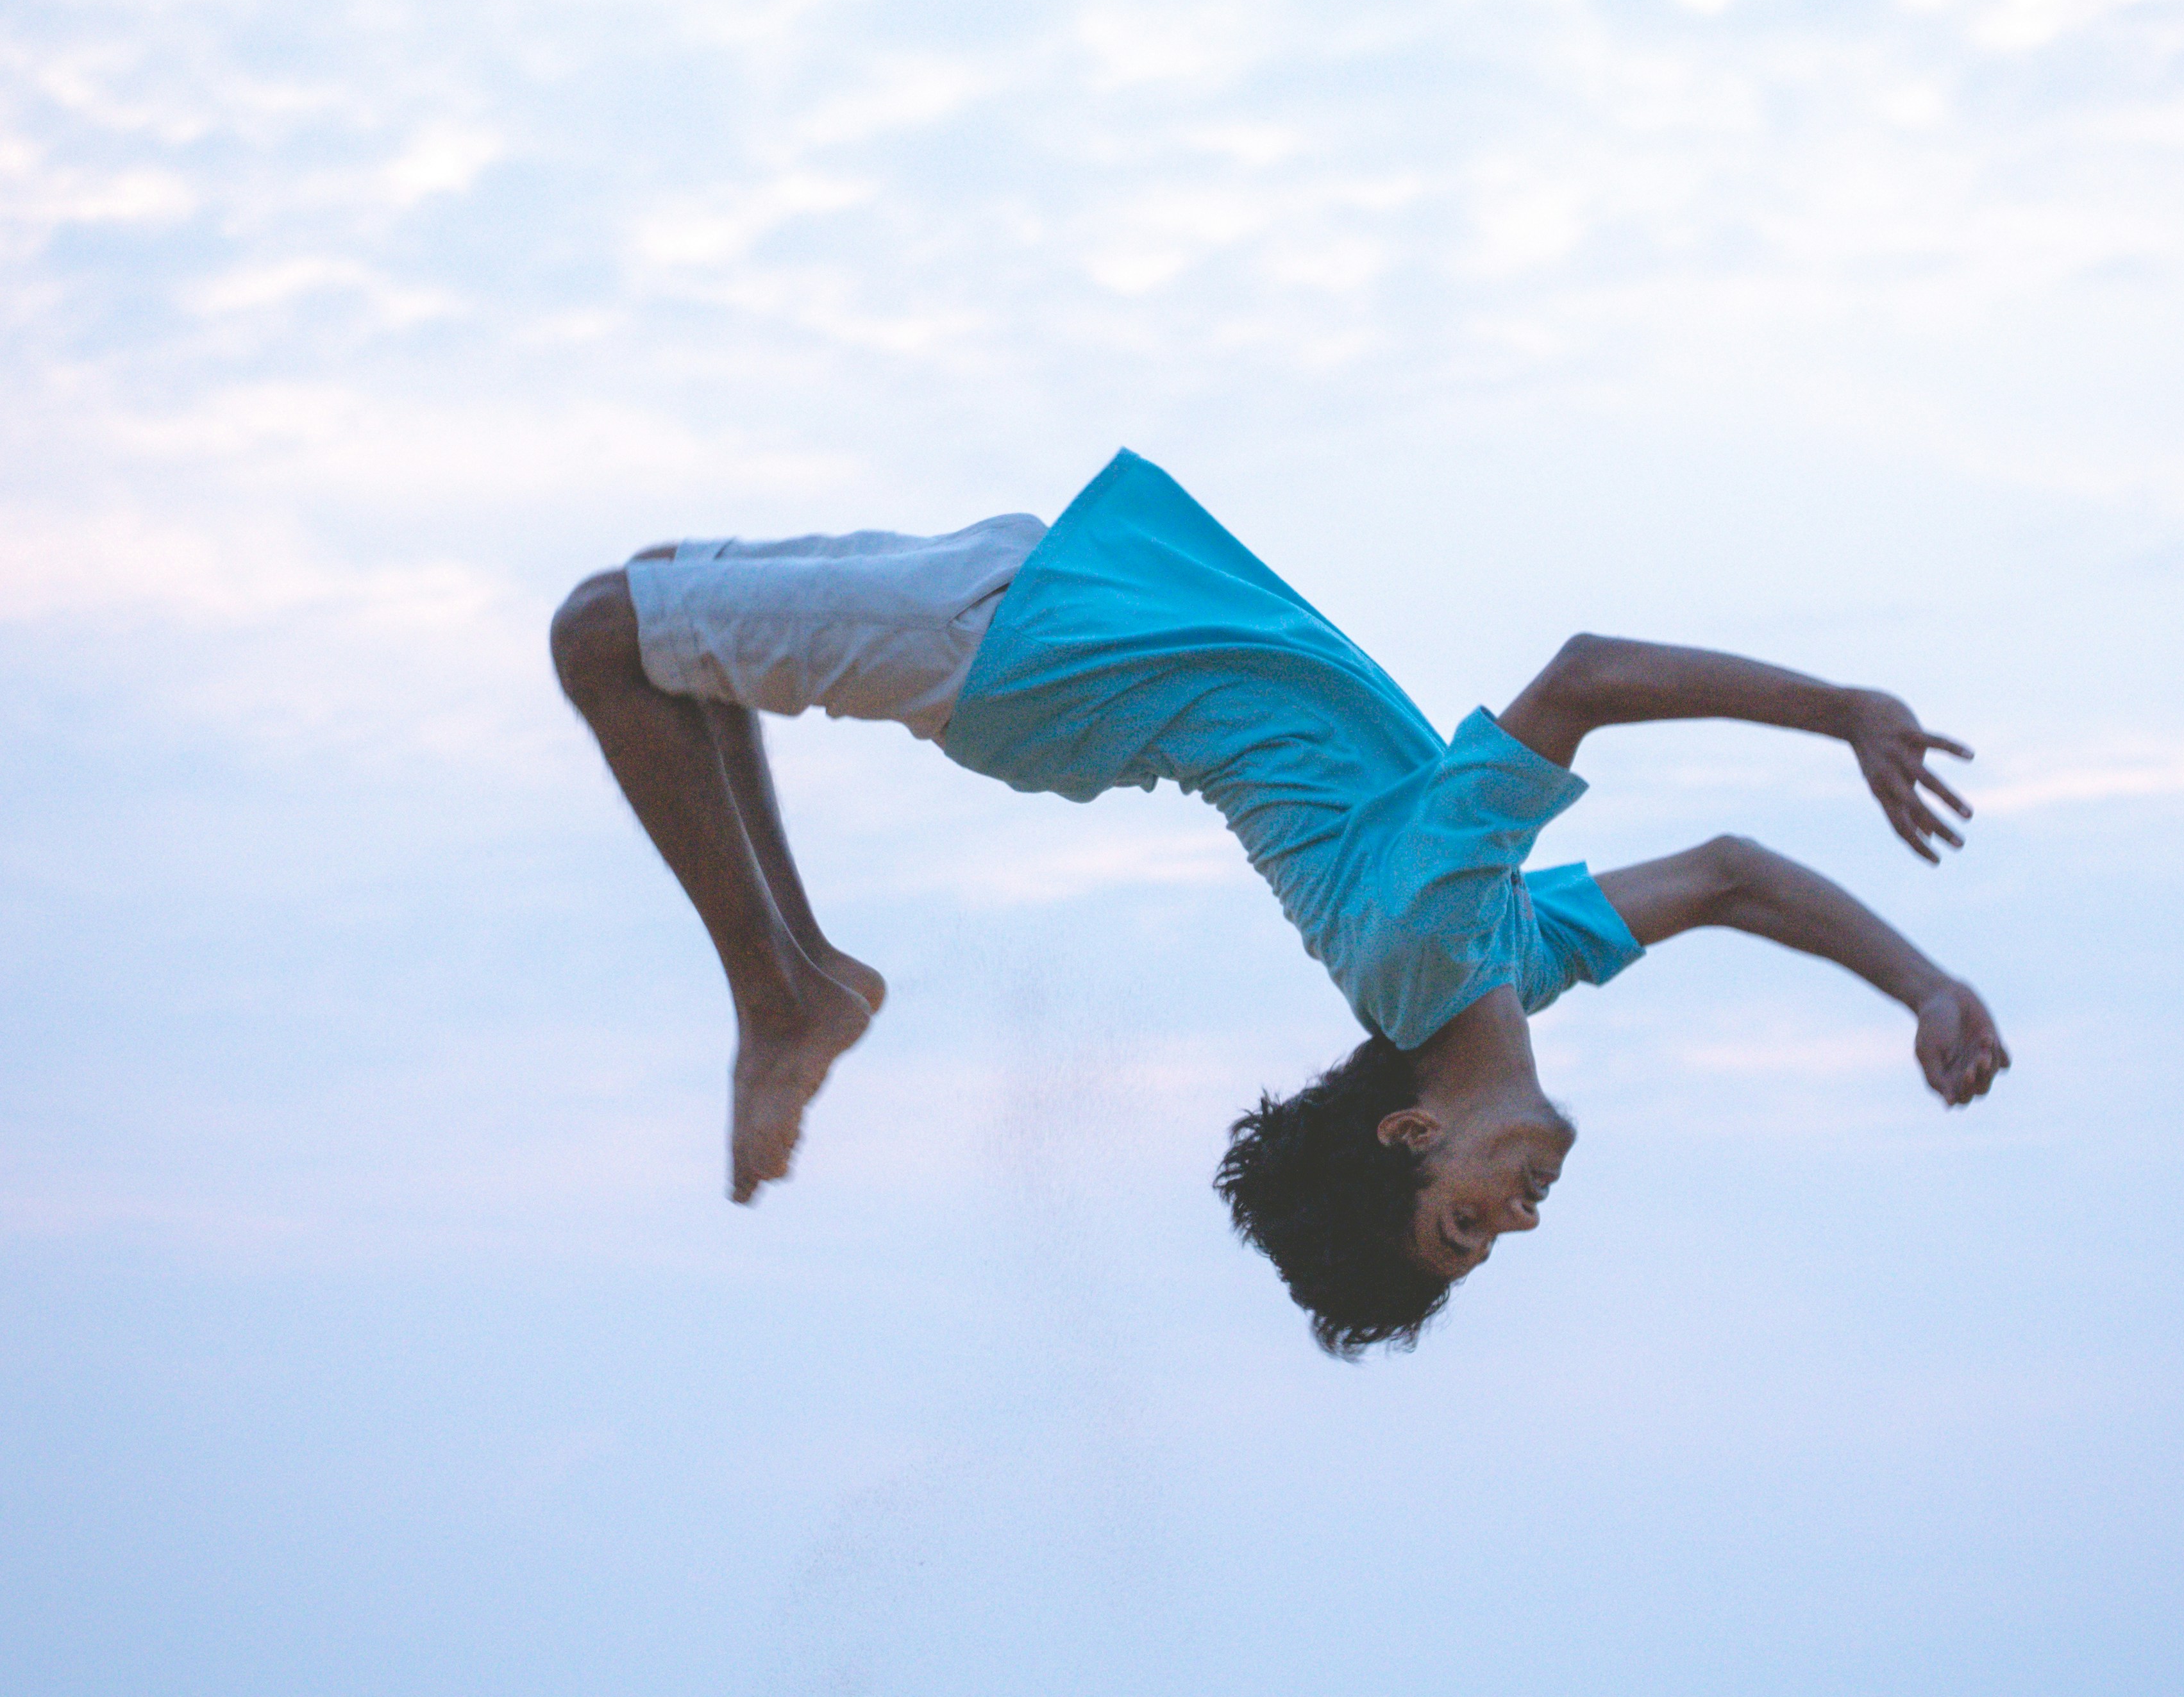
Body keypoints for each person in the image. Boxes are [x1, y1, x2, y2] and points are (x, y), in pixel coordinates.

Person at [550, 447, 2008, 1354]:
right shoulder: (1511, 952)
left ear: (1411, 1133)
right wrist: (1921, 985)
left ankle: (784, 993)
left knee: (605, 635)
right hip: (1062, 603)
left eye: (1462, 1224)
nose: (1518, 1223)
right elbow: (1733, 878)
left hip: (1024, 648)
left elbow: (1585, 677)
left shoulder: (1427, 940)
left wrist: (1842, 712)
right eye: (1492, 1239)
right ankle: (793, 977)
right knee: (668, 601)